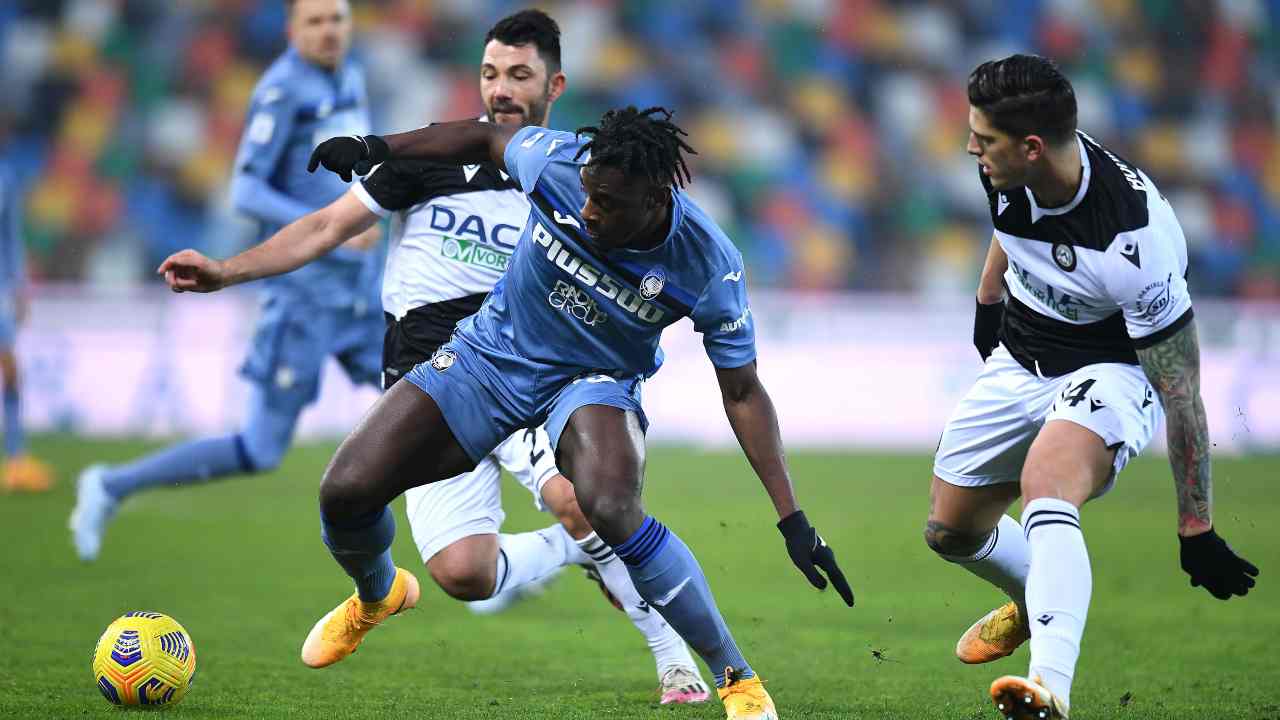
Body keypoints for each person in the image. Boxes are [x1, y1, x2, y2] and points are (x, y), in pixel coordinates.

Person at [163, 105, 855, 719]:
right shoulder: (558, 164)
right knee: (345, 492)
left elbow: (742, 393)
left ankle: (737, 678)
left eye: (608, 205)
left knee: (610, 506)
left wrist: (792, 520)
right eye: (588, 196)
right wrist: (380, 145)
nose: (588, 213)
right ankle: (377, 595)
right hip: (488, 358)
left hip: (592, 381)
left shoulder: (709, 264)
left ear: (655, 200)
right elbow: (484, 137)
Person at [154, 9, 711, 703]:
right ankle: (538, 555)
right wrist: (226, 271)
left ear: (555, 84)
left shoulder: (574, 178)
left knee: (576, 499)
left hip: (525, 373)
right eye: (489, 73)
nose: (500, 89)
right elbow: (328, 226)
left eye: (519, 75)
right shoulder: (432, 157)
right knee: (464, 573)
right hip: (427, 387)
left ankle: (675, 662)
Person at [924, 54, 1259, 719]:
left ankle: (1048, 689)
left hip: (1111, 370)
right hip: (1021, 355)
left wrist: (1197, 527)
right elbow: (1009, 224)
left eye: (983, 140)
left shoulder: (1132, 238)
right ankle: (1035, 597)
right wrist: (989, 296)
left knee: (1046, 485)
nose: (970, 148)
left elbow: (1182, 388)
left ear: (1032, 147)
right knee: (949, 532)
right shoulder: (1005, 166)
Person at [70, 0, 384, 561]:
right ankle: (110, 484)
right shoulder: (283, 90)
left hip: (358, 290)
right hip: (302, 298)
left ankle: (482, 568)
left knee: (429, 407)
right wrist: (328, 227)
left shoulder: (352, 74)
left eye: (337, 18)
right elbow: (246, 192)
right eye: (315, 21)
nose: (330, 30)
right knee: (261, 449)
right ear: (292, 30)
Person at [0, 153, 53, 492]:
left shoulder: (5, 176)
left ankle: (17, 460)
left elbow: (10, 235)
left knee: (11, 369)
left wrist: (19, 286)